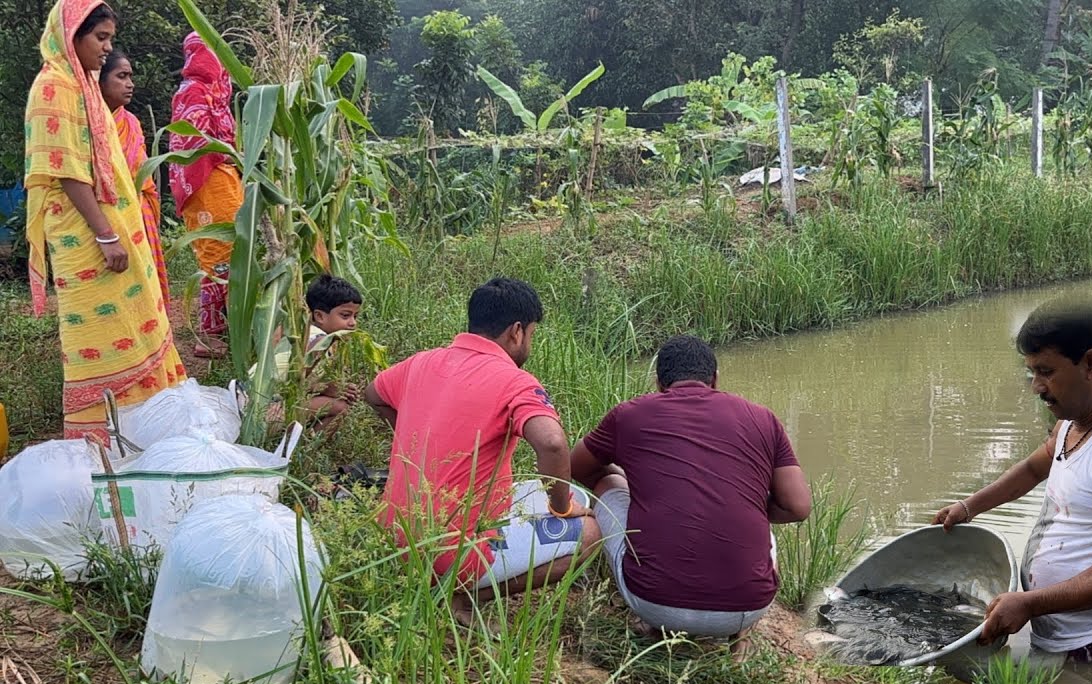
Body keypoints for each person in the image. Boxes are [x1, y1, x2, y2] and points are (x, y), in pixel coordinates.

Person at [933, 295, 1092, 664]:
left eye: (1046, 372)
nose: (1036, 386)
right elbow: (1031, 470)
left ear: (1090, 363)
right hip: (1063, 634)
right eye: (1031, 372)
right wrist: (968, 507)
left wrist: (1031, 603)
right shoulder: (1070, 424)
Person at [364, 277, 600, 623]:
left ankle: (449, 580)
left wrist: (413, 441)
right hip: (450, 551)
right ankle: (459, 595)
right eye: (532, 334)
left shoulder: (421, 362)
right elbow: (552, 443)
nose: (529, 343)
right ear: (517, 331)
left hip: (393, 539)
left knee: (535, 491)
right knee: (591, 531)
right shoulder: (515, 380)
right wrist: (560, 507)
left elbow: (373, 393)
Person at [570, 334, 811, 659]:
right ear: (714, 380)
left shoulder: (629, 414)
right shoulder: (763, 418)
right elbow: (798, 506)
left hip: (653, 604)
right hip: (747, 608)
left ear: (659, 383)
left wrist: (636, 488)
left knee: (608, 483)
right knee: (757, 512)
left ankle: (654, 627)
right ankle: (740, 637)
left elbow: (575, 466)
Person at [24, 0, 186, 442]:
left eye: (109, 38)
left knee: (132, 322)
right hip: (88, 236)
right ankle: (101, 440)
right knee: (97, 332)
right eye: (101, 38)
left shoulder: (82, 87)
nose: (107, 47)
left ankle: (145, 429)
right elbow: (68, 173)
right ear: (72, 34)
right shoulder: (54, 86)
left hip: (113, 232)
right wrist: (107, 234)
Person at [169, 31, 241, 358]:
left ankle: (229, 325)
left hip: (221, 179)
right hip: (207, 180)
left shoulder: (214, 95)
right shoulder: (194, 93)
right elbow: (193, 144)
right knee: (217, 253)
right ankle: (208, 335)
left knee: (233, 249)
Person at [99, 49, 169, 309]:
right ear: (100, 81)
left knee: (141, 290)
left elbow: (142, 175)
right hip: (105, 217)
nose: (130, 84)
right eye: (122, 76)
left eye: (131, 76)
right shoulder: (88, 124)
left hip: (139, 214)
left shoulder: (131, 122)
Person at [252, 274, 363, 432]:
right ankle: (301, 450)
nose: (353, 323)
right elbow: (293, 383)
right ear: (319, 316)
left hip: (261, 403)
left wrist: (340, 388)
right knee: (340, 408)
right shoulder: (315, 342)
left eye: (355, 316)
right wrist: (326, 389)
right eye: (345, 316)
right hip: (262, 409)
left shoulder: (306, 334)